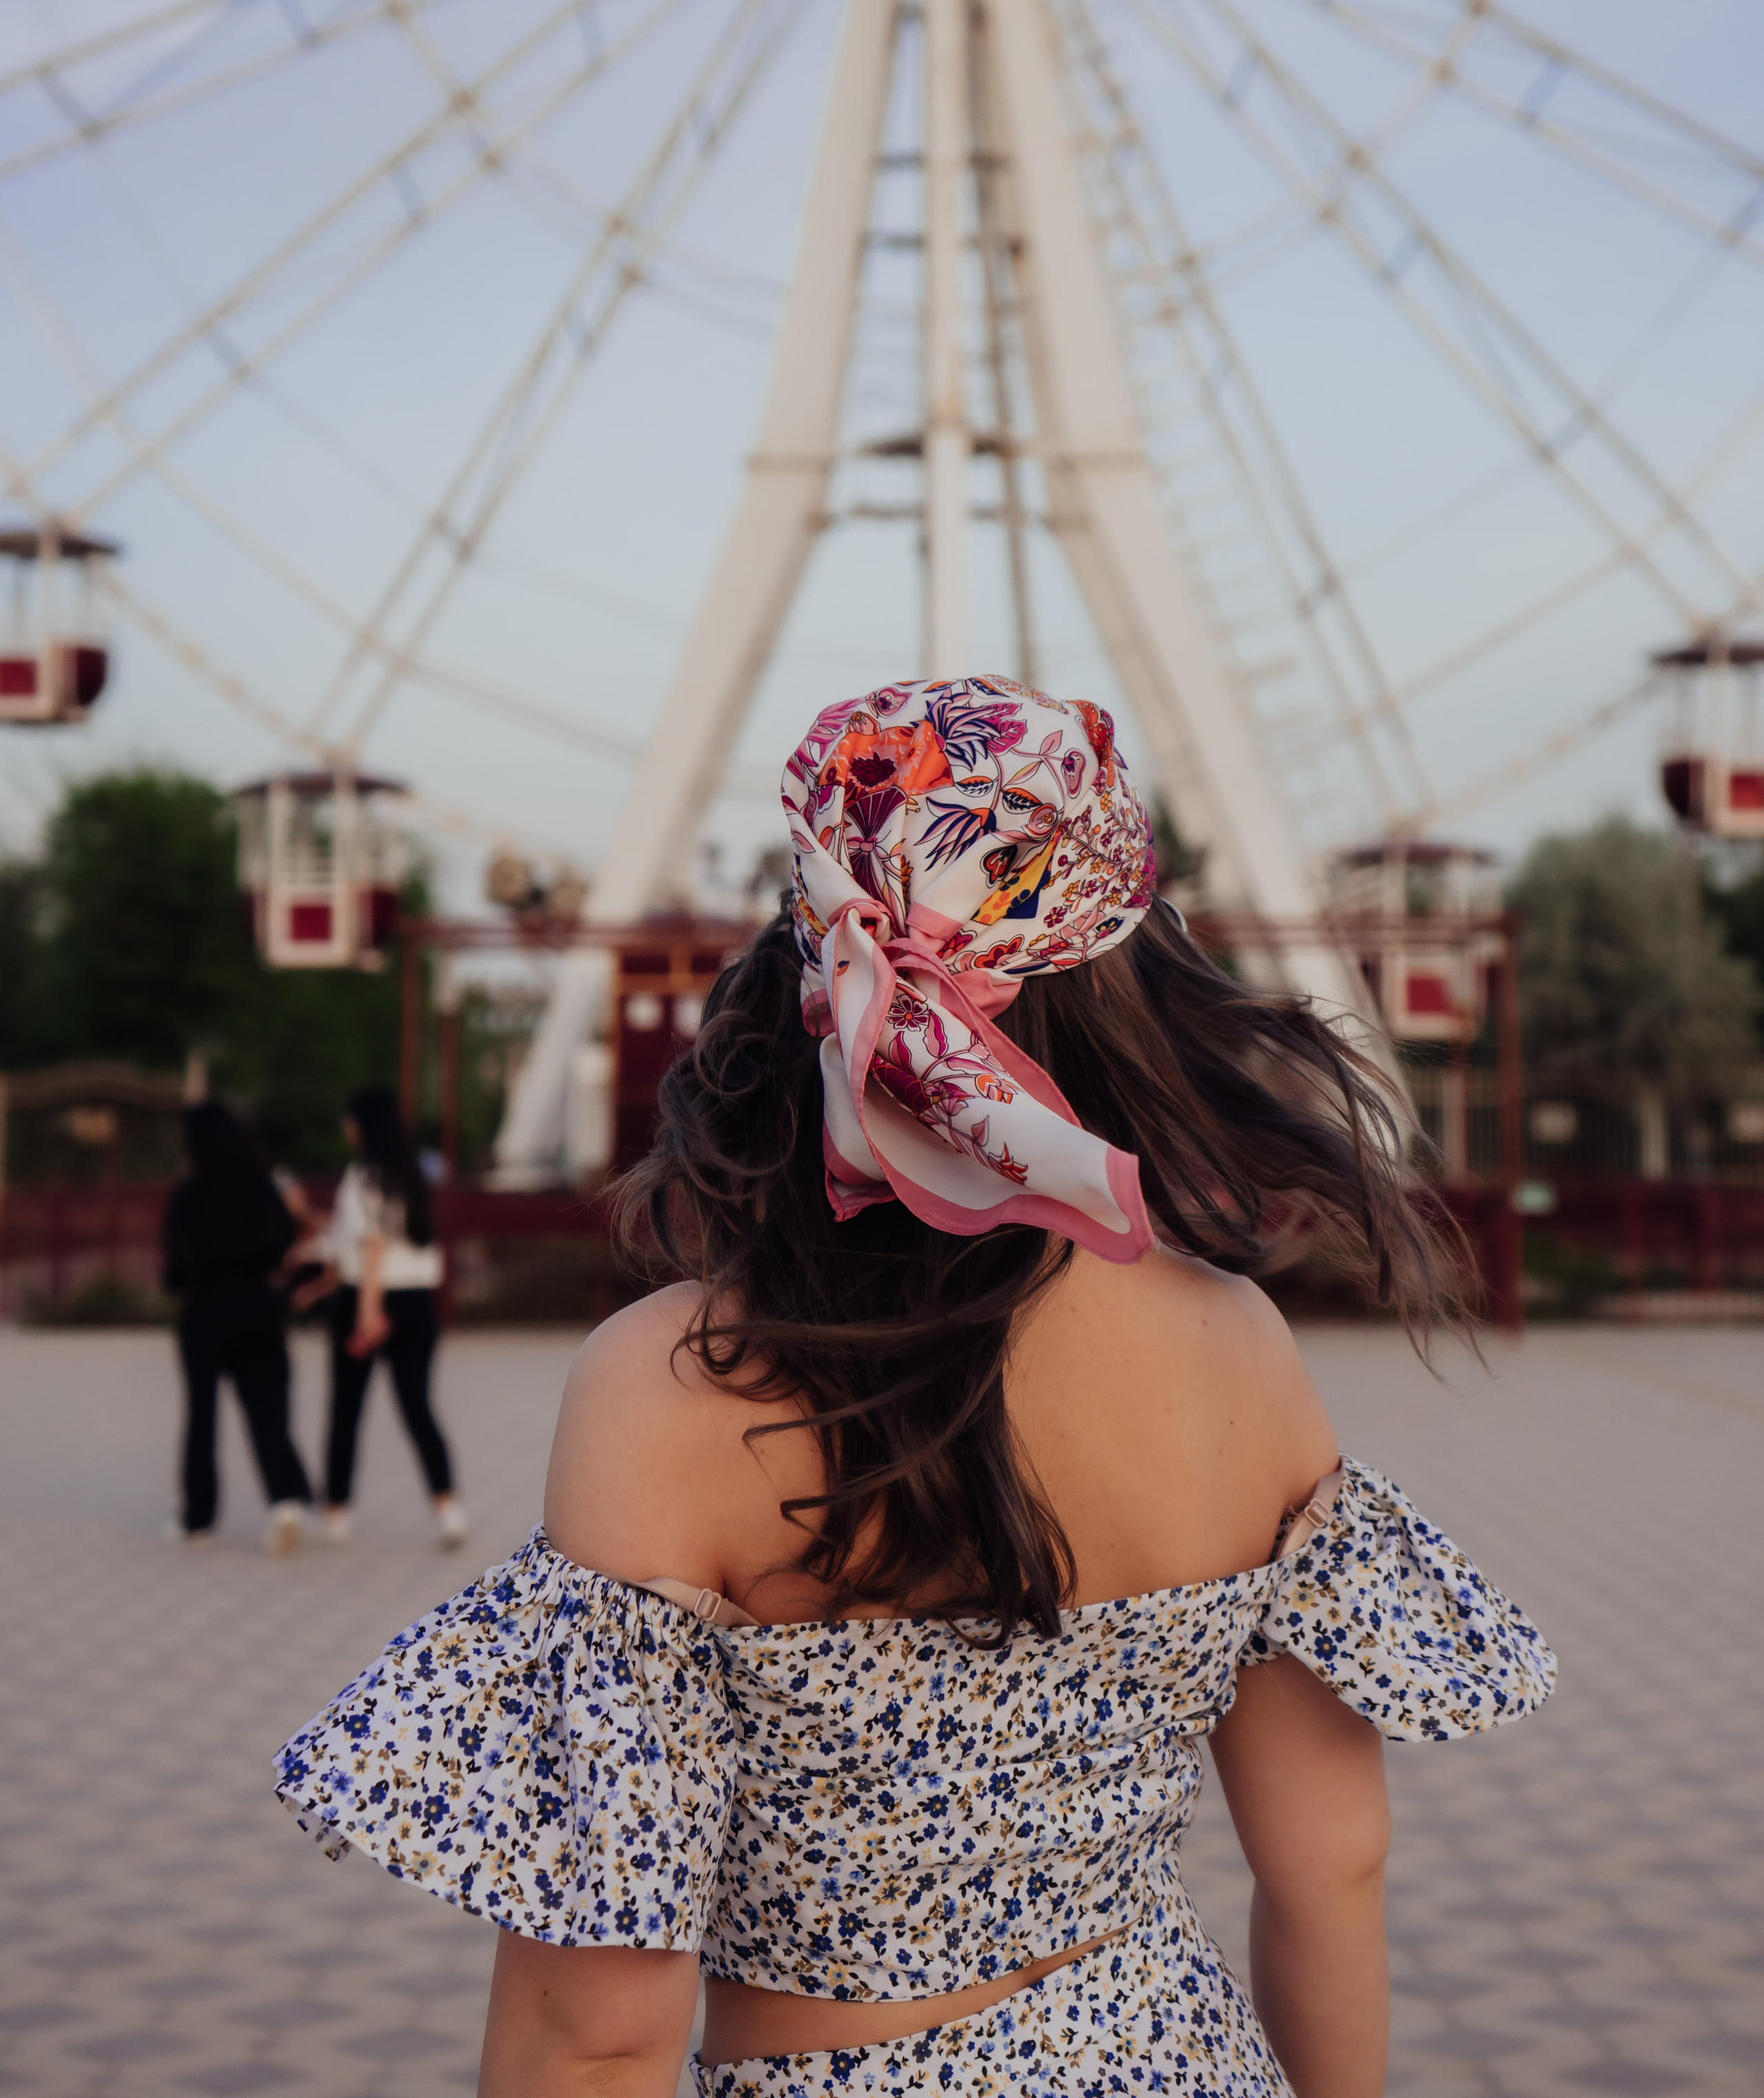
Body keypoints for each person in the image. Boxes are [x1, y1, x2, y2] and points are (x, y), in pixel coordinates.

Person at [276, 678, 1555, 2097]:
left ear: (807, 956)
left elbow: (595, 2031)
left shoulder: (668, 1390)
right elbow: (1330, 1868)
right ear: (1124, 979)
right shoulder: (1234, 1348)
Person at [318, 1084, 467, 1548]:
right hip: (417, 1303)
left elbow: (371, 1246)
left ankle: (337, 1513)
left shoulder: (363, 1176)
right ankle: (448, 1510)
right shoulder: (417, 1173)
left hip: (368, 1298)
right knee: (417, 1408)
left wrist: (368, 1312)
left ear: (362, 1125)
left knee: (347, 1410)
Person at [163, 1099, 312, 1553]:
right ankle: (285, 1501)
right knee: (268, 1413)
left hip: (204, 1313)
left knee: (202, 1418)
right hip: (257, 1309)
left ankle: (198, 1519)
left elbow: (174, 1269)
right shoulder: (261, 1188)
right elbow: (285, 1237)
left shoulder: (187, 1197)